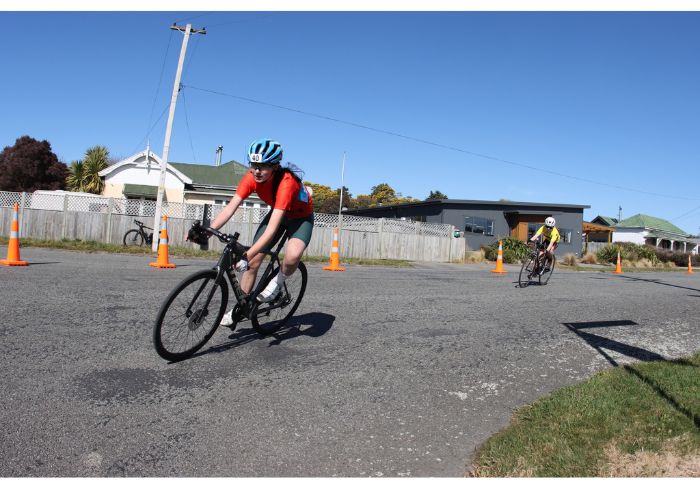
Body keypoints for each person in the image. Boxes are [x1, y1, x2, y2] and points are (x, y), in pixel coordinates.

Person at [192, 138, 314, 327]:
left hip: (300, 217)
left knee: (292, 256)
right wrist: (208, 231)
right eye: (254, 164)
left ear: (275, 166)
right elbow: (229, 208)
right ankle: (240, 307)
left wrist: (246, 255)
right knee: (254, 262)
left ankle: (277, 283)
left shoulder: (286, 182)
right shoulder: (251, 177)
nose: (257, 171)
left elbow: (272, 230)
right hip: (278, 213)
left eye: (263, 166)